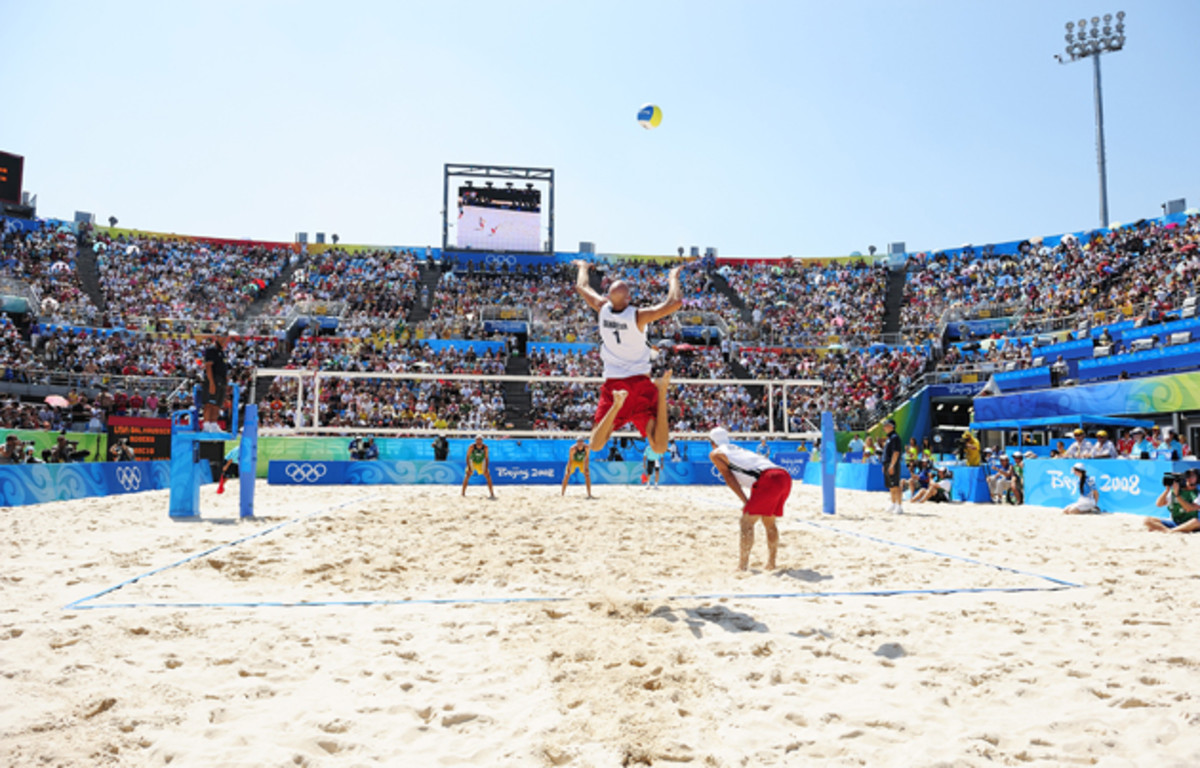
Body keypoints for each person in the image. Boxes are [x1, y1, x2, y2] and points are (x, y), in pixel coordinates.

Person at [572, 260, 683, 454]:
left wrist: (582, 267)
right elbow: (675, 303)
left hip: (614, 384)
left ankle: (616, 407)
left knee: (596, 445)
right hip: (640, 383)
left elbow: (582, 286)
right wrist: (673, 278)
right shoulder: (637, 316)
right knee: (659, 447)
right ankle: (661, 392)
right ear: (629, 298)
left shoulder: (602, 307)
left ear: (608, 296)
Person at [707, 427, 792, 571]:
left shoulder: (716, 454)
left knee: (746, 522)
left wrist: (745, 501)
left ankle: (743, 566)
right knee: (769, 521)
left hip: (768, 479)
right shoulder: (736, 449)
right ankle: (771, 563)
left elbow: (729, 478)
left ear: (712, 443)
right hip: (783, 476)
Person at [202, 334, 229, 433]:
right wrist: (211, 383)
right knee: (209, 403)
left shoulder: (222, 351)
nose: (224, 339)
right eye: (222, 337)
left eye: (225, 337)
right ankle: (206, 425)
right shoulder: (211, 349)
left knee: (218, 403)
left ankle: (213, 424)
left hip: (221, 380)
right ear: (217, 337)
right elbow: (208, 366)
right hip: (213, 379)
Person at [882, 419, 903, 514]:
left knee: (895, 485)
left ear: (891, 426)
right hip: (887, 463)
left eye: (886, 425)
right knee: (890, 485)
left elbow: (896, 452)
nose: (884, 427)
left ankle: (899, 506)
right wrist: (884, 465)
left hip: (892, 463)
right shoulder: (889, 438)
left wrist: (892, 465)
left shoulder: (895, 437)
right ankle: (893, 503)